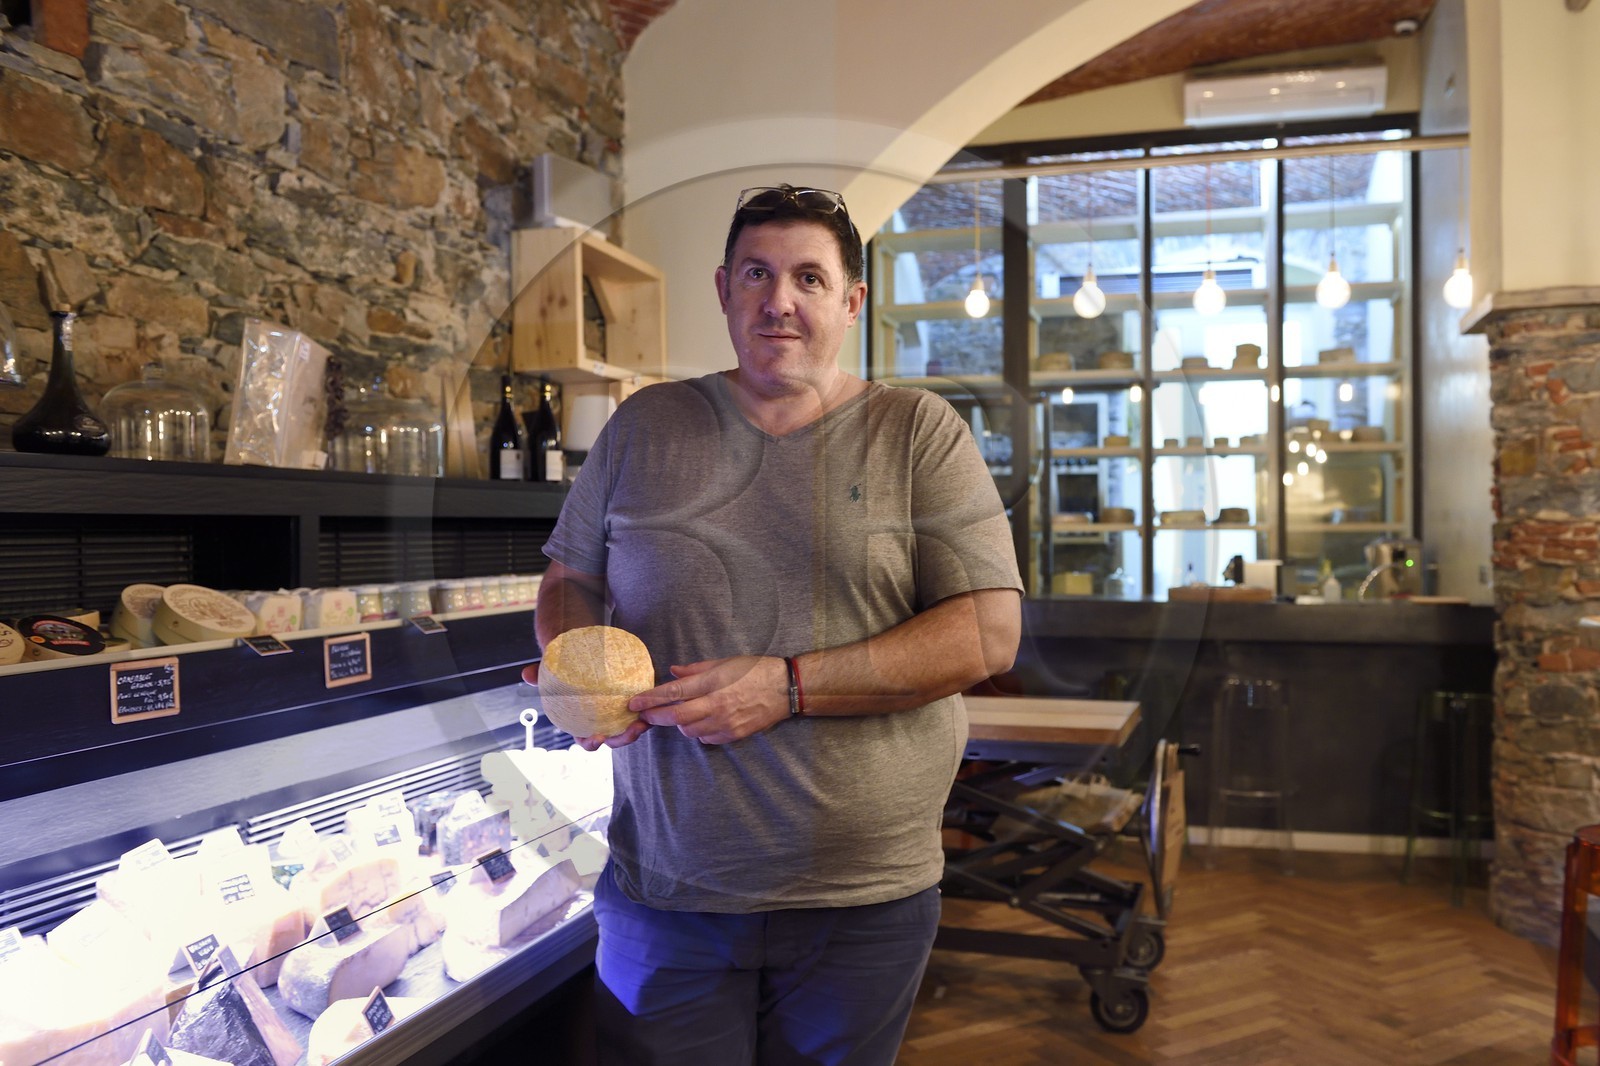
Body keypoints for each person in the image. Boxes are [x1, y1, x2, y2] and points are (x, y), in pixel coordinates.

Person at [530, 183, 1024, 1065]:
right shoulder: (644, 426)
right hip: (667, 892)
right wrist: (576, 664)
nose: (779, 300)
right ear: (724, 289)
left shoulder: (918, 432)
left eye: (809, 278)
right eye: (757, 274)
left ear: (852, 301)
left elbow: (988, 634)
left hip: (861, 902)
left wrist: (787, 688)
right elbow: (570, 578)